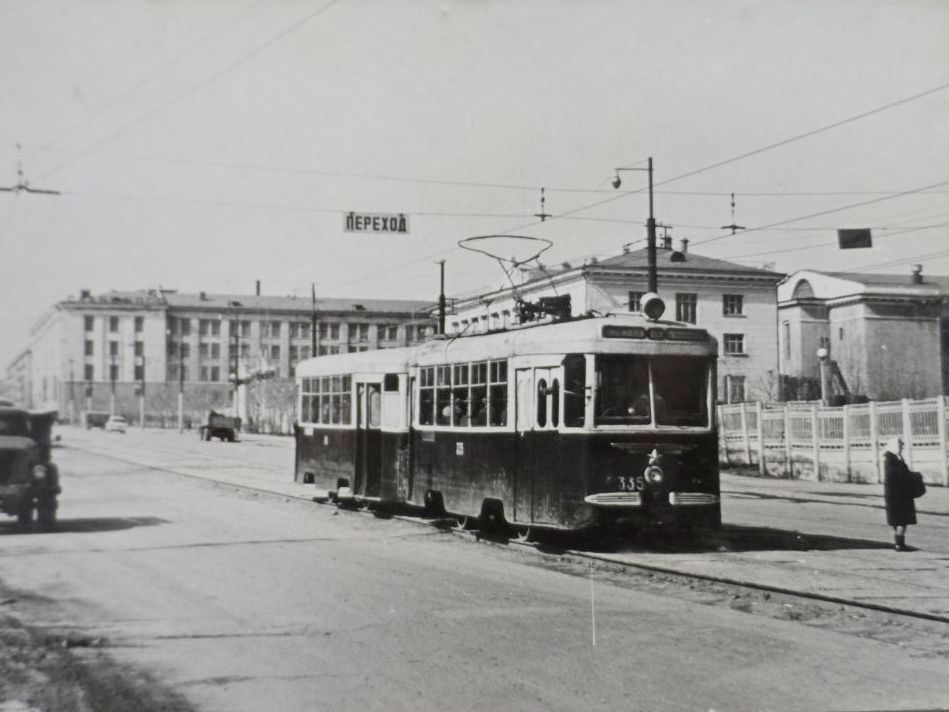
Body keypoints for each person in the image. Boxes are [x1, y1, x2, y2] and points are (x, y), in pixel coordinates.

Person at [882, 437, 916, 552]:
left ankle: (899, 542)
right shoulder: (893, 460)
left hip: (896, 495)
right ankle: (899, 544)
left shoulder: (892, 458)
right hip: (899, 495)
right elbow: (896, 475)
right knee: (902, 520)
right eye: (901, 444)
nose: (902, 447)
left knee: (899, 520)